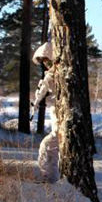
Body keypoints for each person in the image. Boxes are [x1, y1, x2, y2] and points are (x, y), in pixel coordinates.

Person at [32, 42, 60, 183]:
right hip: (56, 112)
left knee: (48, 145)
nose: (46, 64)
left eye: (47, 60)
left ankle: (49, 177)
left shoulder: (56, 74)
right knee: (50, 148)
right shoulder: (50, 75)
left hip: (59, 113)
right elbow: (41, 90)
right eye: (43, 62)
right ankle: (50, 178)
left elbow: (43, 89)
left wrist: (37, 101)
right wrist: (35, 104)